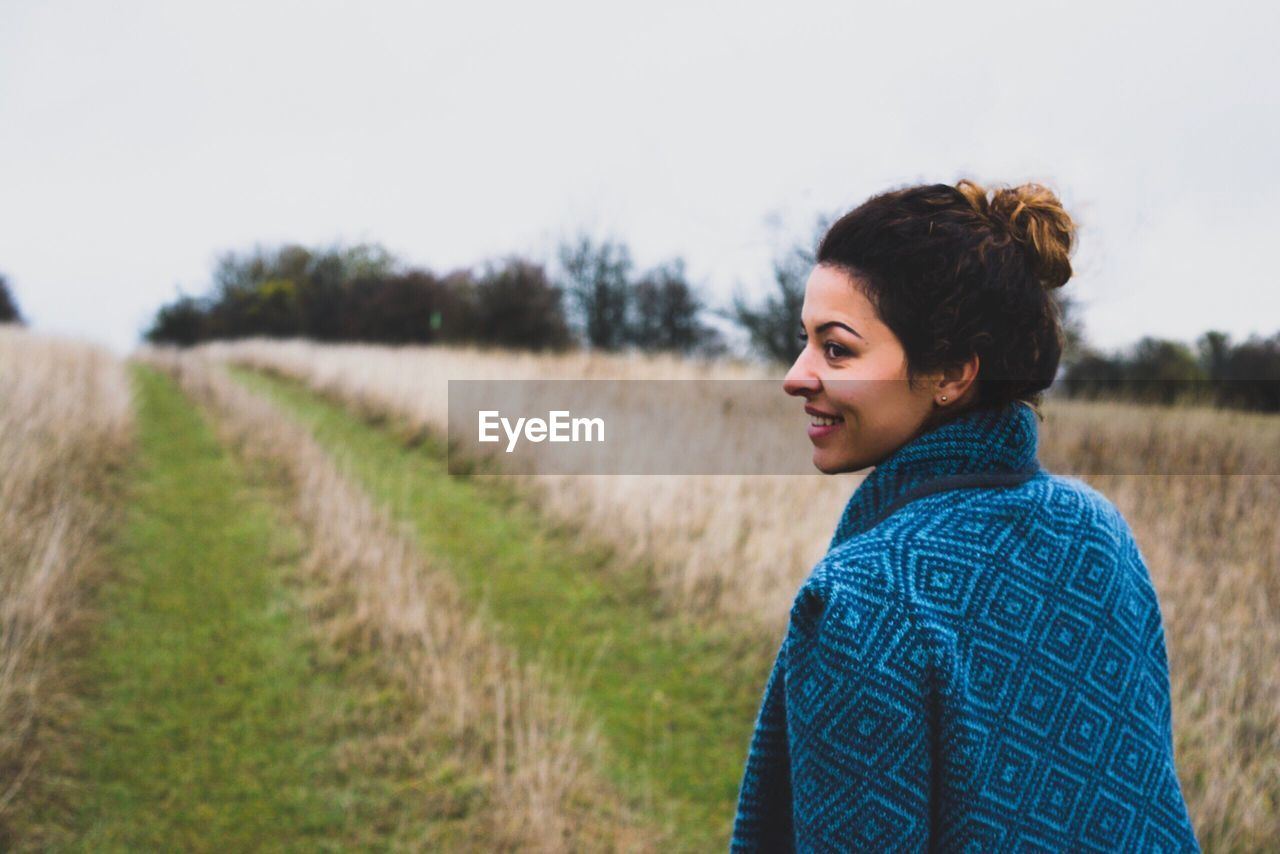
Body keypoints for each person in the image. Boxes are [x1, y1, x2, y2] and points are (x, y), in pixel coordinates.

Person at [731, 180, 1200, 851]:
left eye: (836, 348)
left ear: (951, 372)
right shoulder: (1098, 530)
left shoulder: (861, 604)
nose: (796, 375)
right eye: (804, 341)